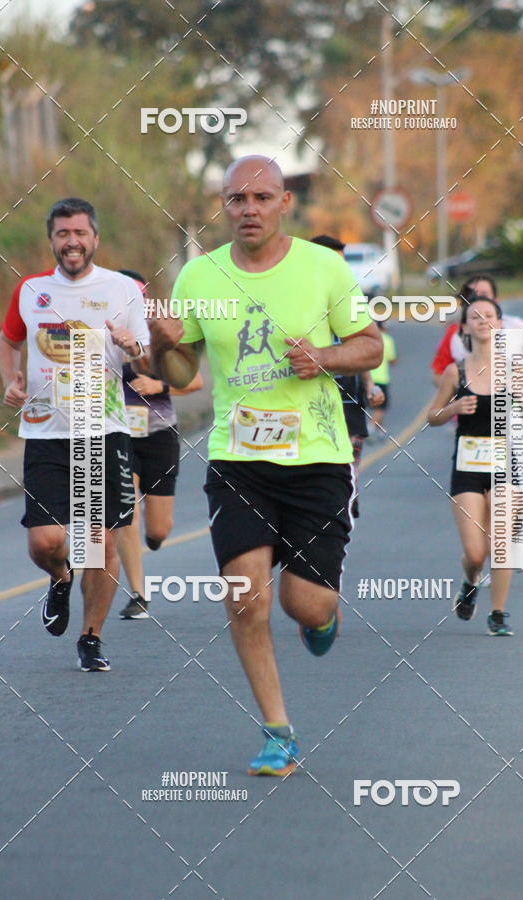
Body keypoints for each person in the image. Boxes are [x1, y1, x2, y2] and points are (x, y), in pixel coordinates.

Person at [149, 155, 382, 775]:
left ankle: (320, 616)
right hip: (239, 457)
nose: (247, 209)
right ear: (222, 206)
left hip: (318, 458)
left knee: (304, 605)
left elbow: (372, 344)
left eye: (260, 198)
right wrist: (161, 345)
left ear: (284, 204)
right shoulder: (200, 275)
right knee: (244, 596)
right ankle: (278, 731)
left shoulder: (323, 266)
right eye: (235, 199)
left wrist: (327, 357)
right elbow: (183, 377)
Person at [0, 198, 149, 671]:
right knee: (45, 542)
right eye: (63, 234)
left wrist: (131, 346)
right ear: (52, 240)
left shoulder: (123, 289)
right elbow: (10, 339)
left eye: (80, 233)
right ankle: (60, 578)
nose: (72, 242)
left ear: (95, 238)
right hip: (45, 431)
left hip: (102, 431)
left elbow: (144, 358)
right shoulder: (31, 289)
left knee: (98, 539)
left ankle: (91, 637)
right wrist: (10, 378)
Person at [427, 297, 523, 636]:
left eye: (489, 315)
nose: (482, 320)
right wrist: (455, 405)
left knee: (502, 541)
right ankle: (469, 582)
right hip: (468, 465)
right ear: (465, 327)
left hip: (506, 464)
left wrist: (518, 396)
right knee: (476, 553)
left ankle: (499, 614)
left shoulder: (514, 368)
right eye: (474, 316)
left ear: (500, 325)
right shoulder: (455, 371)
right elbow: (432, 417)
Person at [116, 270, 204, 620]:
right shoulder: (102, 333)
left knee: (157, 529)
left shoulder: (160, 336)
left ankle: (152, 541)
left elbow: (195, 382)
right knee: (126, 511)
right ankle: (138, 593)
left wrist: (160, 387)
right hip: (118, 433)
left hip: (159, 433)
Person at [310, 234, 385, 515]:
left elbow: (362, 347)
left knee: (351, 459)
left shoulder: (350, 299)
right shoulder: (296, 298)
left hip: (349, 394)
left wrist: (370, 384)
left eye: (342, 264)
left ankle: (346, 502)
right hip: (311, 396)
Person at [368, 320, 397, 439]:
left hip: (369, 377)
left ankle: (381, 432)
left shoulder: (369, 340)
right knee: (381, 407)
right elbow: (392, 359)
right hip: (381, 378)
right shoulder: (387, 339)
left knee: (376, 405)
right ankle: (369, 428)